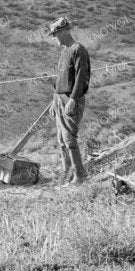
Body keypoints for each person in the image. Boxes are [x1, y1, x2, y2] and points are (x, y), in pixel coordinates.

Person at [48, 18, 90, 183]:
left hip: (71, 99)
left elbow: (82, 77)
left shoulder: (78, 50)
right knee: (61, 139)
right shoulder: (65, 51)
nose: (54, 38)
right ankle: (67, 172)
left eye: (55, 34)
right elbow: (60, 79)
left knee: (69, 138)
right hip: (59, 99)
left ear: (64, 32)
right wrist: (54, 100)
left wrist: (73, 99)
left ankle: (79, 176)